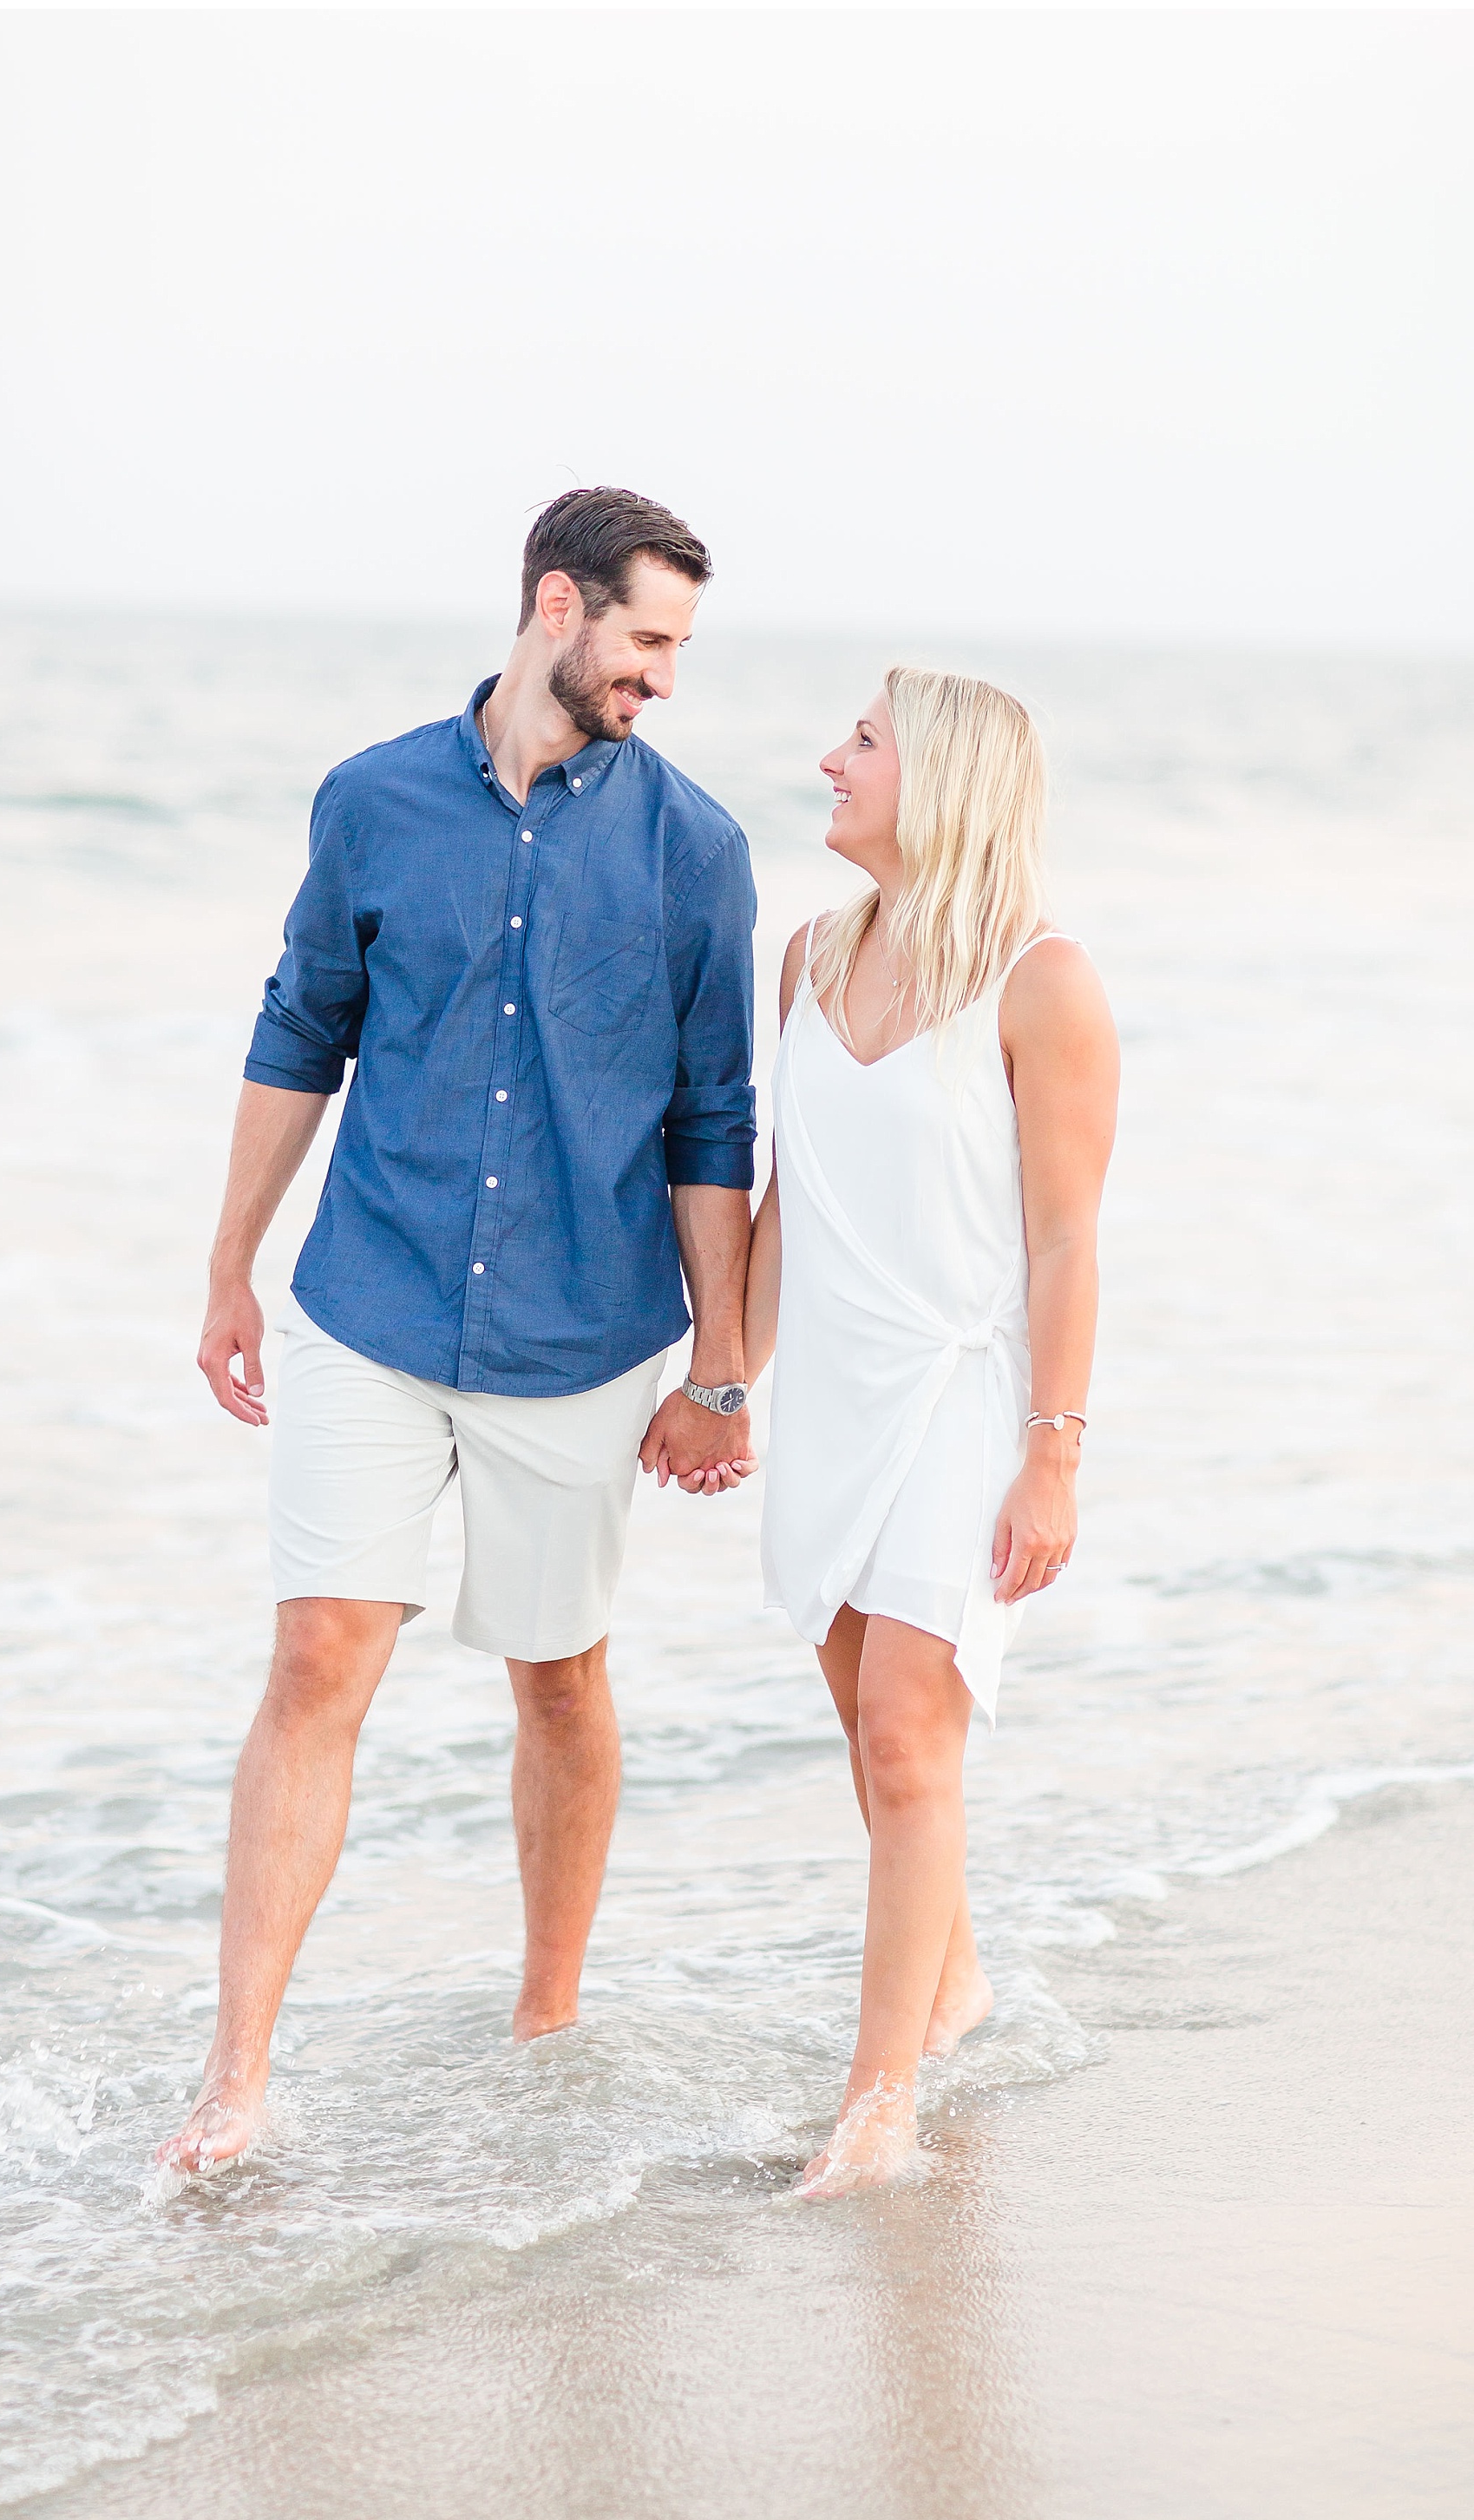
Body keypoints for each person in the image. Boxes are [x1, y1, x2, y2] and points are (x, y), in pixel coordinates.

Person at [157, 489, 759, 2175]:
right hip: (372, 1291)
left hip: (582, 1331)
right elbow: (302, 1033)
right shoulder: (370, 801)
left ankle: (545, 2015)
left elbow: (716, 1120)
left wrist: (721, 1369)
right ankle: (238, 2078)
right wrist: (228, 1268)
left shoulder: (692, 847)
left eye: (675, 651)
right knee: (316, 1653)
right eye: (644, 640)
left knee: (557, 1679)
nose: (660, 677)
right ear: (556, 606)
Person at [744, 666, 1119, 2194]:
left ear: (942, 778)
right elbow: (789, 1210)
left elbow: (1066, 1243)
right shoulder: (808, 959)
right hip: (833, 1387)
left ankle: (877, 2100)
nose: (829, 759)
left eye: (864, 743)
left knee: (909, 1722)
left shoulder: (1045, 979)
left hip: (969, 1394)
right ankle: (951, 1983)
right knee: (869, 1725)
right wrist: (717, 1378)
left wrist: (1056, 1449)